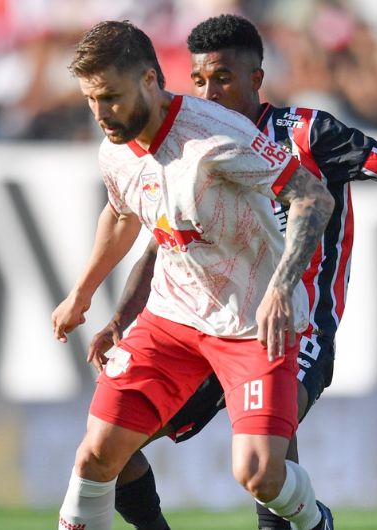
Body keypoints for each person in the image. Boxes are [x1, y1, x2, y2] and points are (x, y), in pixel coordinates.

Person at [85, 14, 377, 530]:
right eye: (199, 81)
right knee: (114, 452)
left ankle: (308, 521)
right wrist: (121, 315)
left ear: (257, 79)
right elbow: (162, 246)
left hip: (296, 325)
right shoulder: (188, 144)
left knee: (266, 464)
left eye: (224, 78)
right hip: (202, 323)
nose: (210, 93)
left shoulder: (305, 133)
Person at [52, 20, 337, 530]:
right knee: (96, 458)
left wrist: (280, 288)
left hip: (251, 321)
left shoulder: (215, 137)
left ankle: (314, 520)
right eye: (91, 100)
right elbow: (120, 215)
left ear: (148, 80)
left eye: (110, 98)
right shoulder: (114, 149)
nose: (100, 114)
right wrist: (82, 293)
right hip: (170, 320)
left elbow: (312, 195)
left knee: (259, 475)